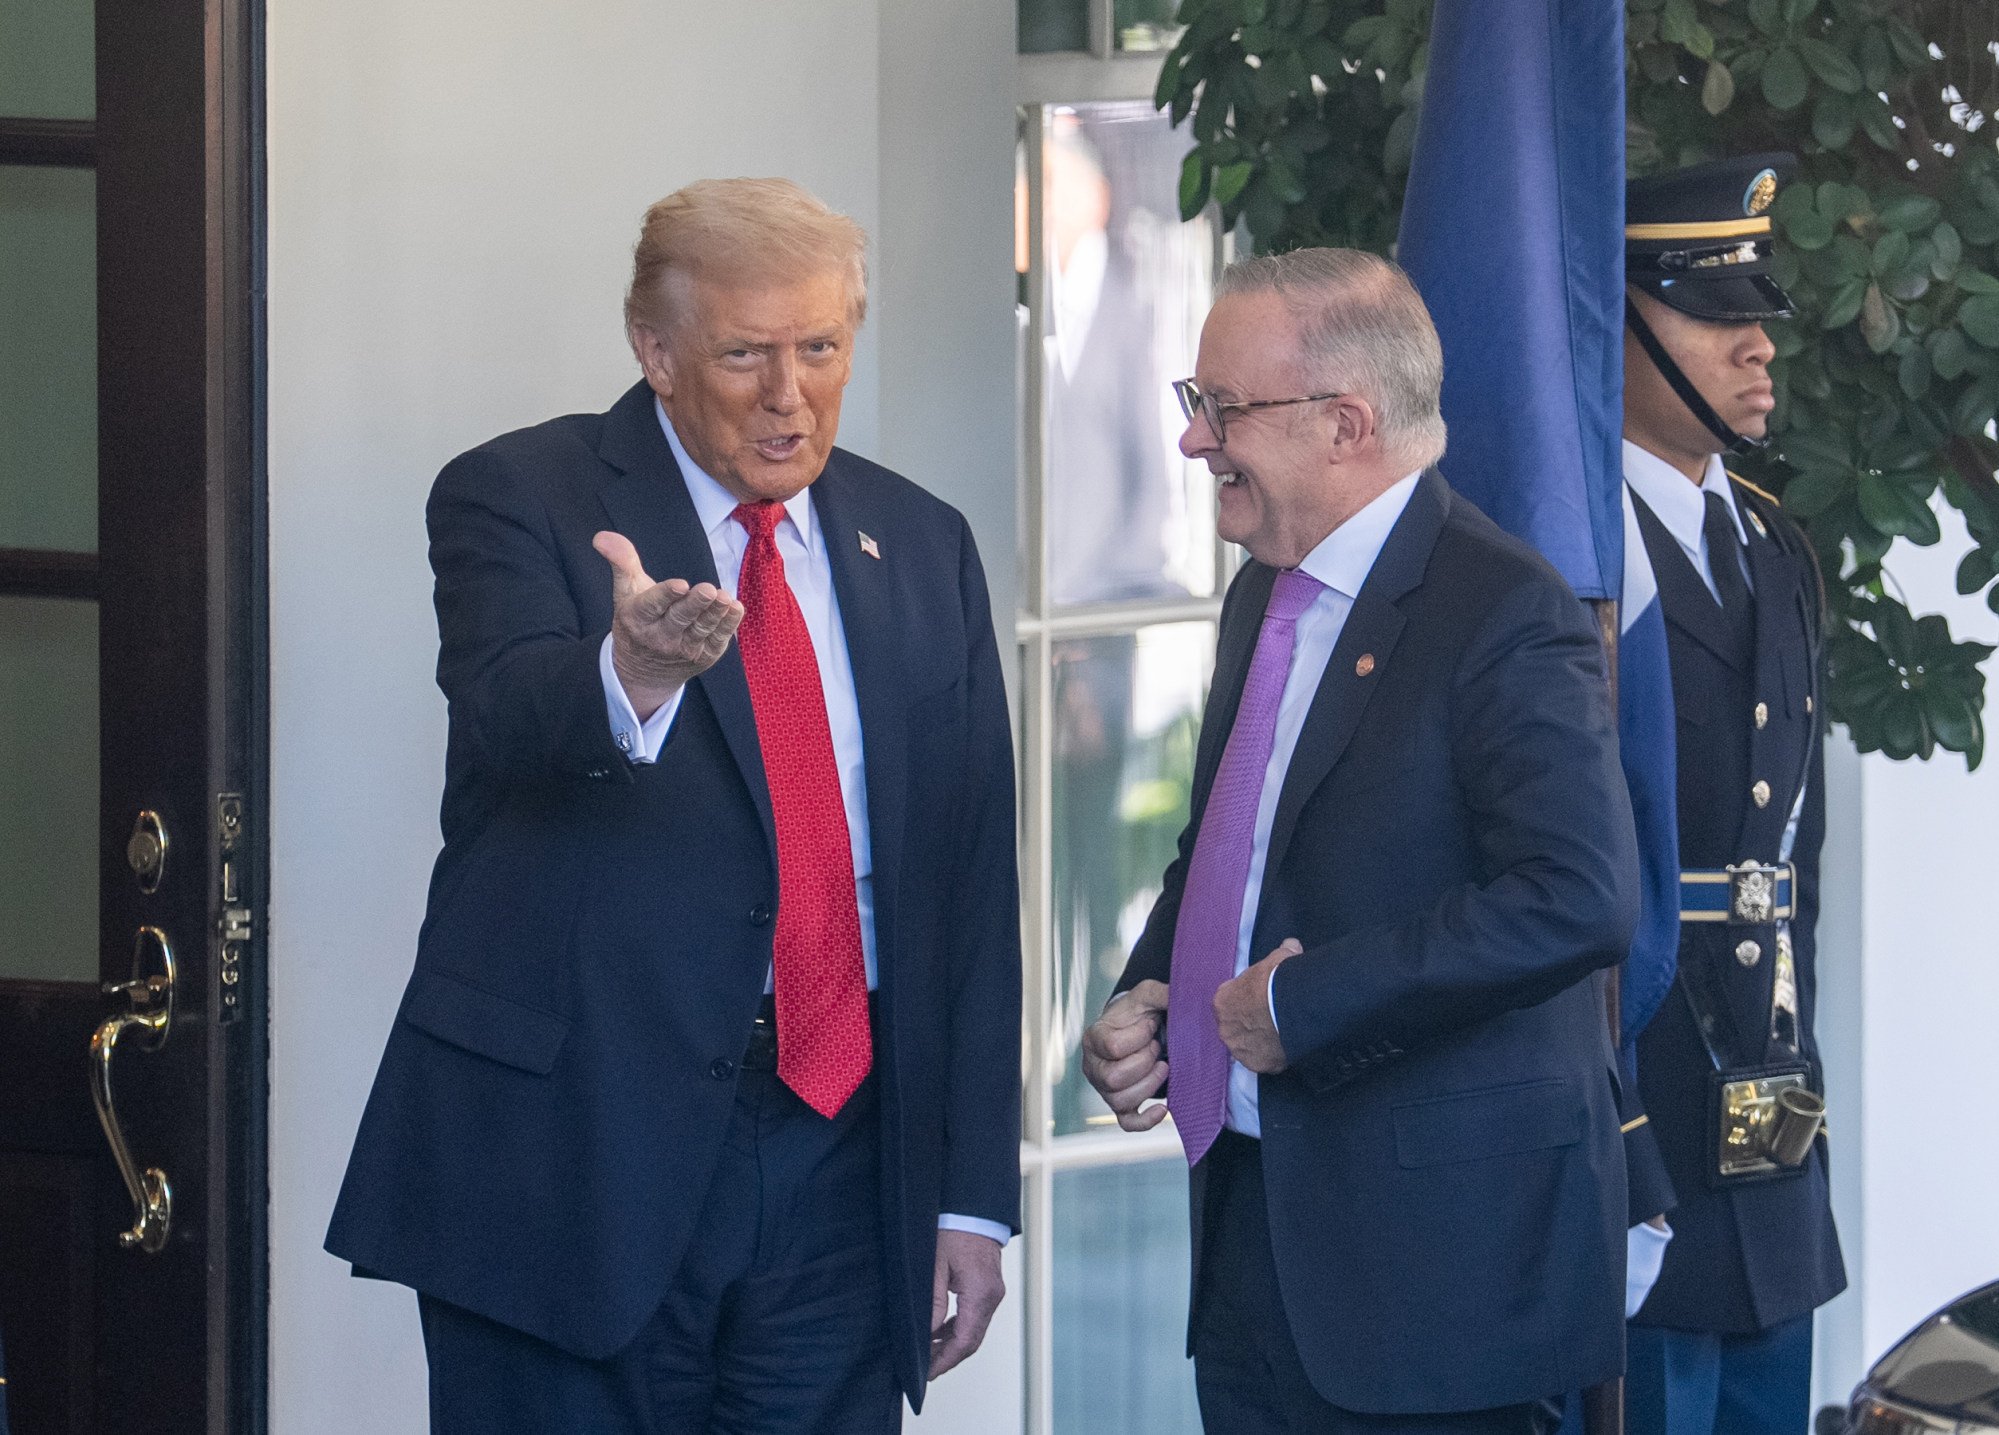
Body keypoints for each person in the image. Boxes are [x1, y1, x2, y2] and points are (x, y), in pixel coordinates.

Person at [325, 177, 1021, 1434]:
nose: (788, 392)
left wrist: (969, 1195)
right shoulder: (518, 494)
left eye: (820, 348)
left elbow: (968, 884)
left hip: (840, 1158)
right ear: (654, 350)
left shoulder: (920, 542)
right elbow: (503, 717)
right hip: (575, 1155)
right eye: (745, 353)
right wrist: (630, 671)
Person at [1081, 247, 1639, 1433]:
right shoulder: (1263, 591)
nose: (1194, 441)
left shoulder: (1500, 606)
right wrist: (1154, 994)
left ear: (1345, 422)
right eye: (1197, 404)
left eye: (1221, 407)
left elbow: (1575, 895)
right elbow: (1231, 848)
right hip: (1253, 1234)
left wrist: (1299, 1006)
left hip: (1433, 1281)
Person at [1616, 153, 1846, 1435]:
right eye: (1718, 313)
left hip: (1768, 1103)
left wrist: (1792, 1085)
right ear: (1625, 323)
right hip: (1639, 1095)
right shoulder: (1570, 562)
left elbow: (1787, 869)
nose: (1761, 344)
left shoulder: (1772, 544)